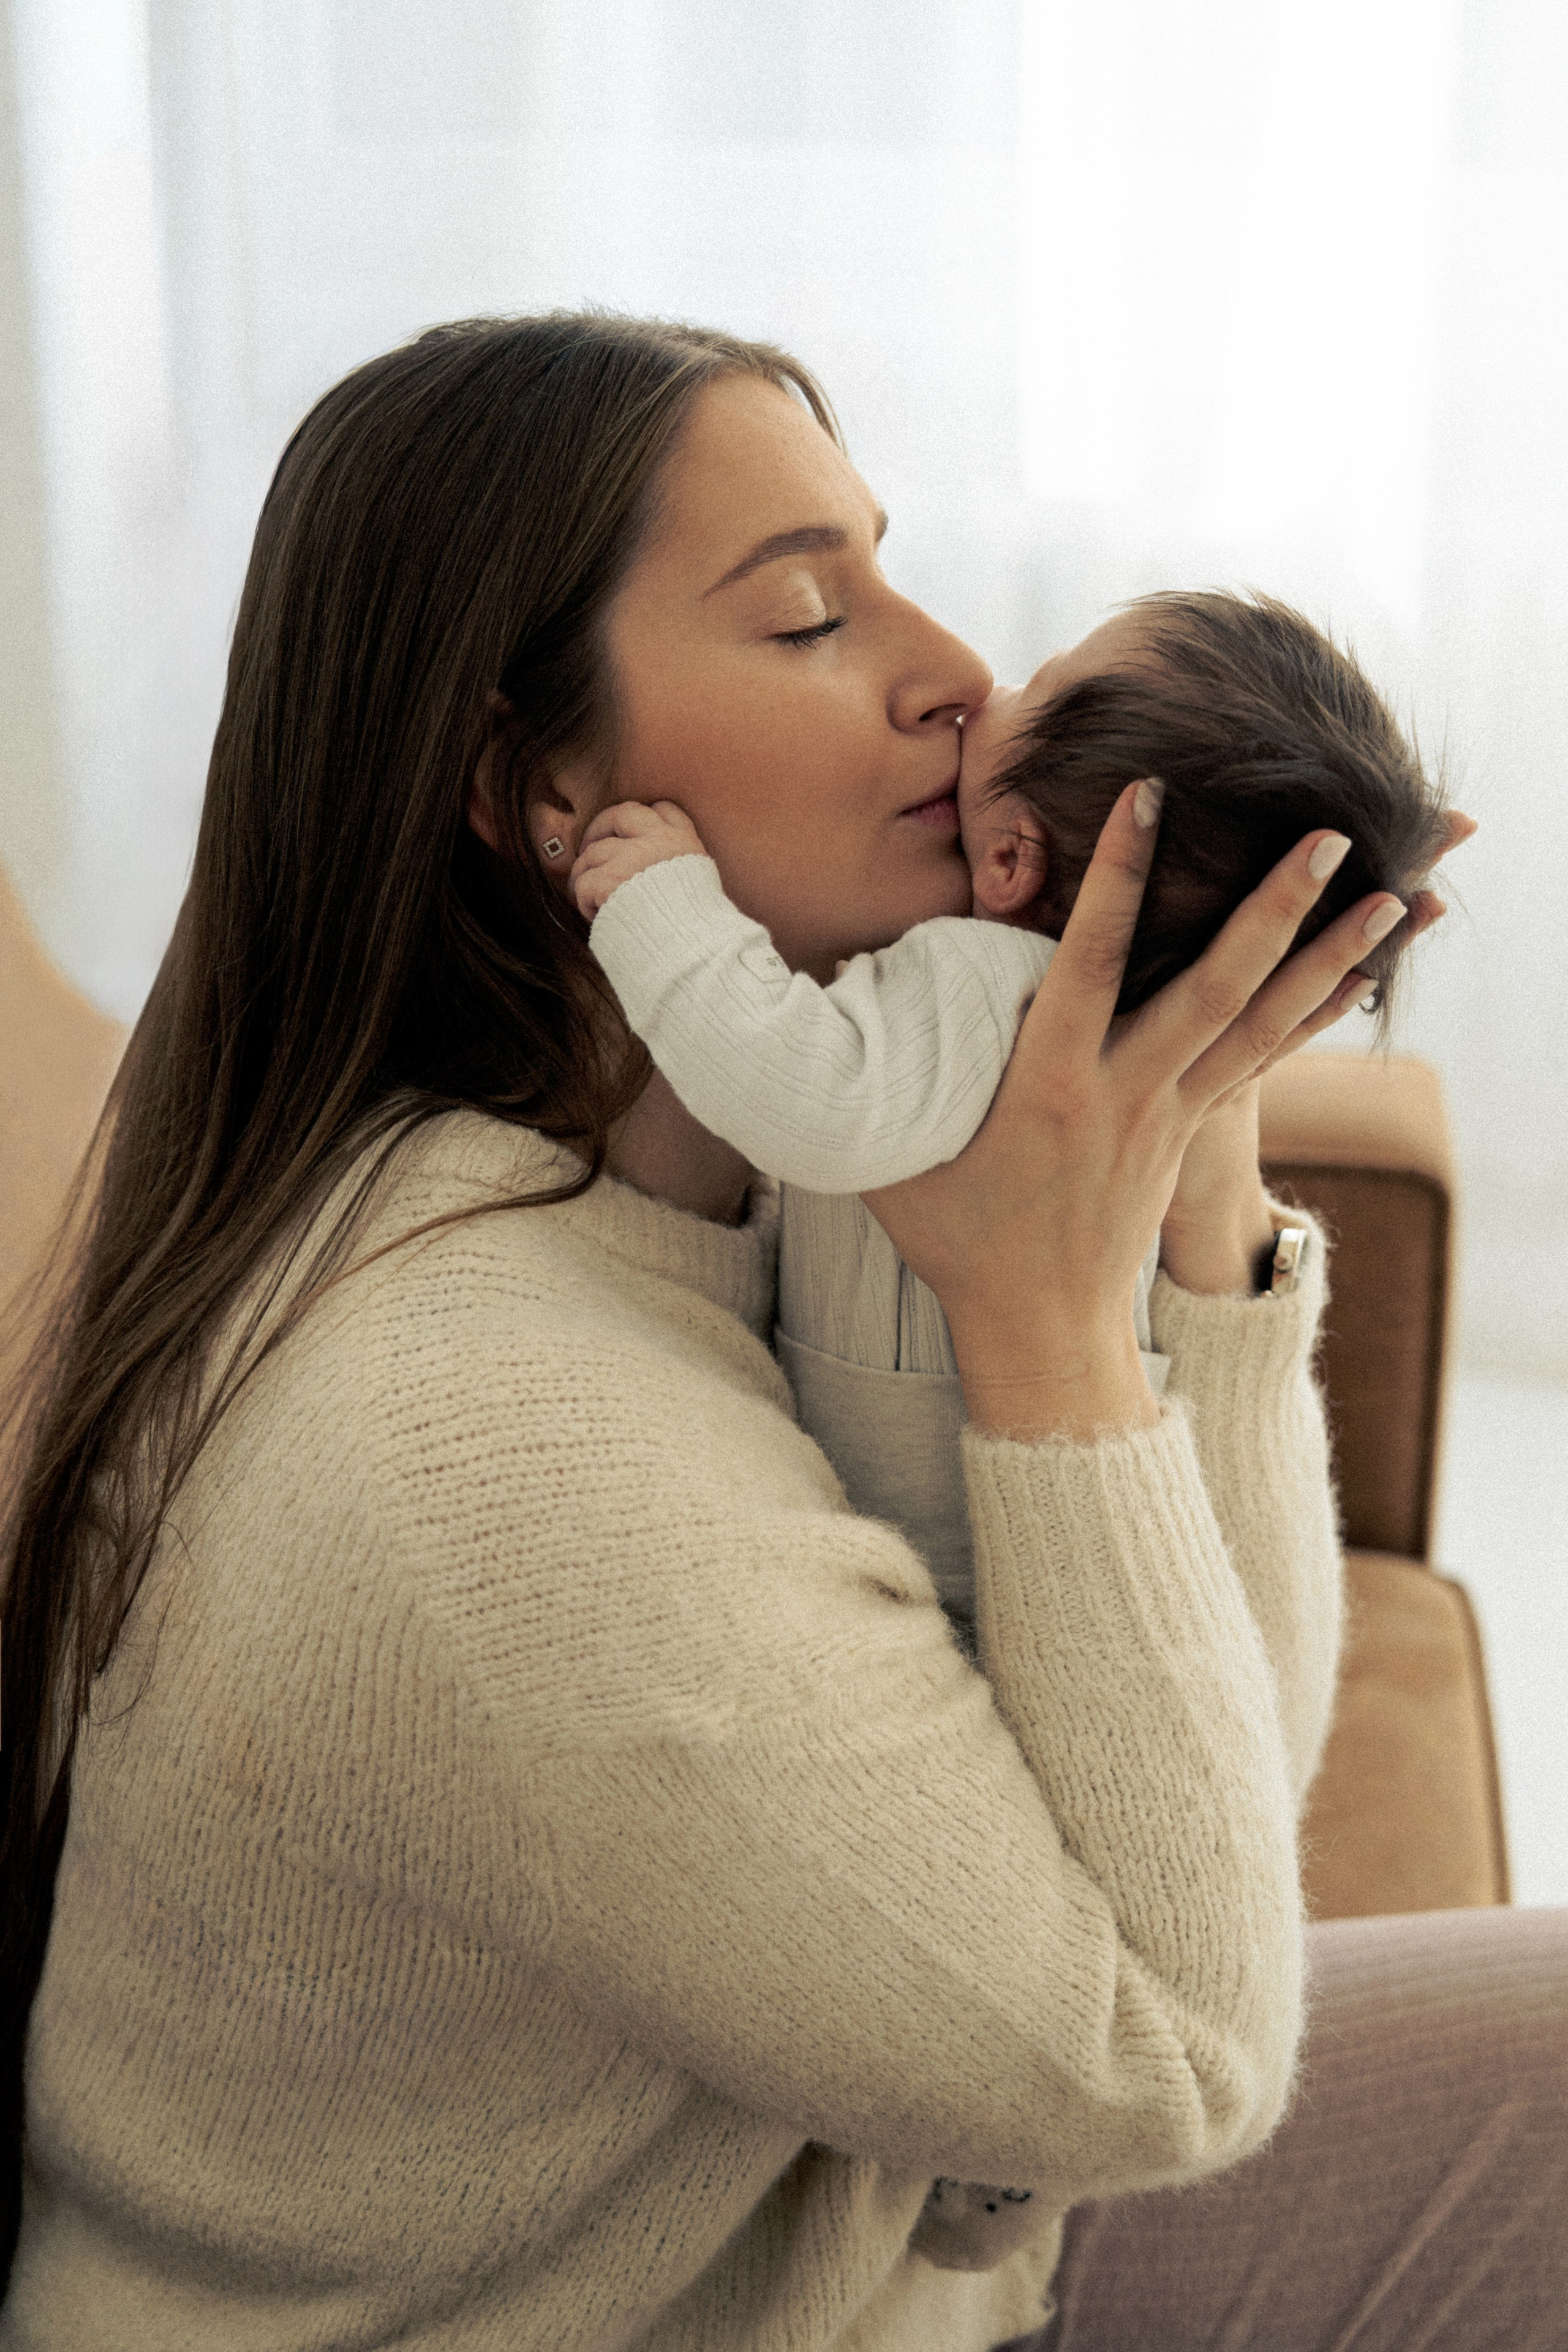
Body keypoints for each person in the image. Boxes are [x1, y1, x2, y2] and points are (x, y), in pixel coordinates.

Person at [0, 311, 1558, 2352]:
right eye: (813, 617)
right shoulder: (491, 1455)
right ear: (537, 790)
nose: (962, 676)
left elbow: (1211, 1830)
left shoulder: (726, 1178)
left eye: (891, 571)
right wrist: (1052, 1342)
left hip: (887, 2233)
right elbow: (1172, 2053)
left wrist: (1196, 1183)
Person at [562, 586, 1454, 2269]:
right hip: (1057, 1545)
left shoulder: (978, 990)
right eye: (806, 614)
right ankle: (995, 2174)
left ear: (1016, 863)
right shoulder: (1099, 1054)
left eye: (1034, 686)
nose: (971, 679)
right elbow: (1248, 1746)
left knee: (1060, 1841)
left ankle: (991, 2153)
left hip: (976, 1551)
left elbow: (803, 1085)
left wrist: (662, 899)